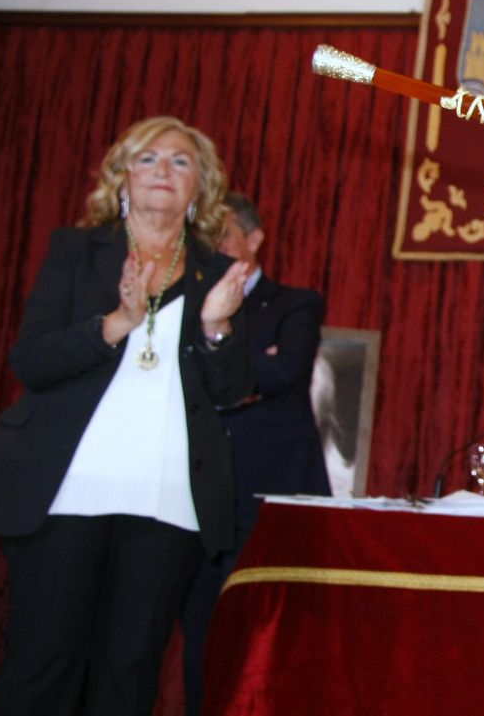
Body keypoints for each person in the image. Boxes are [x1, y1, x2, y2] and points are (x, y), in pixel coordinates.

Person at [0, 116, 253, 716]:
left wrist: (217, 326)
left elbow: (233, 390)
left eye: (181, 162)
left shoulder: (215, 273)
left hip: (166, 500)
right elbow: (31, 360)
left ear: (200, 187)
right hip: (67, 491)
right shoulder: (77, 251)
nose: (163, 171)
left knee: (128, 677)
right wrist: (116, 324)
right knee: (41, 670)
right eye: (148, 158)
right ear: (123, 177)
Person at [178, 192, 328, 716]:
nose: (211, 248)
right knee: (198, 632)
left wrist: (217, 361)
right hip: (196, 494)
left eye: (221, 236)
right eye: (203, 239)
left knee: (262, 637)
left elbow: (284, 371)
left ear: (254, 238)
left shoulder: (295, 303)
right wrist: (242, 368)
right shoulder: (184, 304)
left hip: (268, 496)